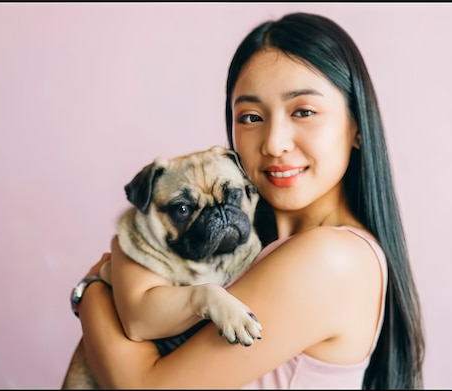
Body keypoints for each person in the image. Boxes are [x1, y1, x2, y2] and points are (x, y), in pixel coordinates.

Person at [74, 11, 425, 389]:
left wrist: (91, 290)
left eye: (303, 111)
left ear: (356, 127)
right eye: (251, 117)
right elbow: (140, 312)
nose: (274, 143)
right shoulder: (248, 245)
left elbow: (143, 386)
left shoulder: (330, 259)